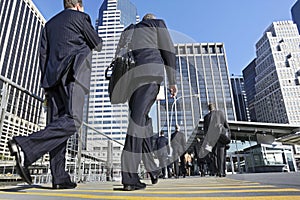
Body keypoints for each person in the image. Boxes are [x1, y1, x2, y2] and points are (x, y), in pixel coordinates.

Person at [7, 0, 102, 189]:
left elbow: (43, 55)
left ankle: (59, 178)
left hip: (51, 81)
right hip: (73, 76)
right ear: (78, 5)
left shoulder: (49, 24)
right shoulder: (81, 17)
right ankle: (25, 145)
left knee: (58, 125)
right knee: (73, 121)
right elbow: (97, 43)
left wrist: (45, 83)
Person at [120, 13, 177, 191]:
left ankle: (152, 169)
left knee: (142, 121)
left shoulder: (130, 30)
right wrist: (172, 81)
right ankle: (129, 177)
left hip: (131, 79)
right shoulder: (157, 24)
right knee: (138, 123)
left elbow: (120, 53)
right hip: (150, 74)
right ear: (151, 19)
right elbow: (168, 50)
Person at [202, 103, 230, 177]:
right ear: (215, 107)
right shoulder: (220, 113)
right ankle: (222, 171)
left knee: (214, 155)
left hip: (211, 138)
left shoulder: (206, 117)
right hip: (221, 136)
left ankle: (217, 171)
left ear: (209, 109)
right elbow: (226, 125)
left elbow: (205, 131)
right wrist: (228, 135)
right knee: (221, 154)